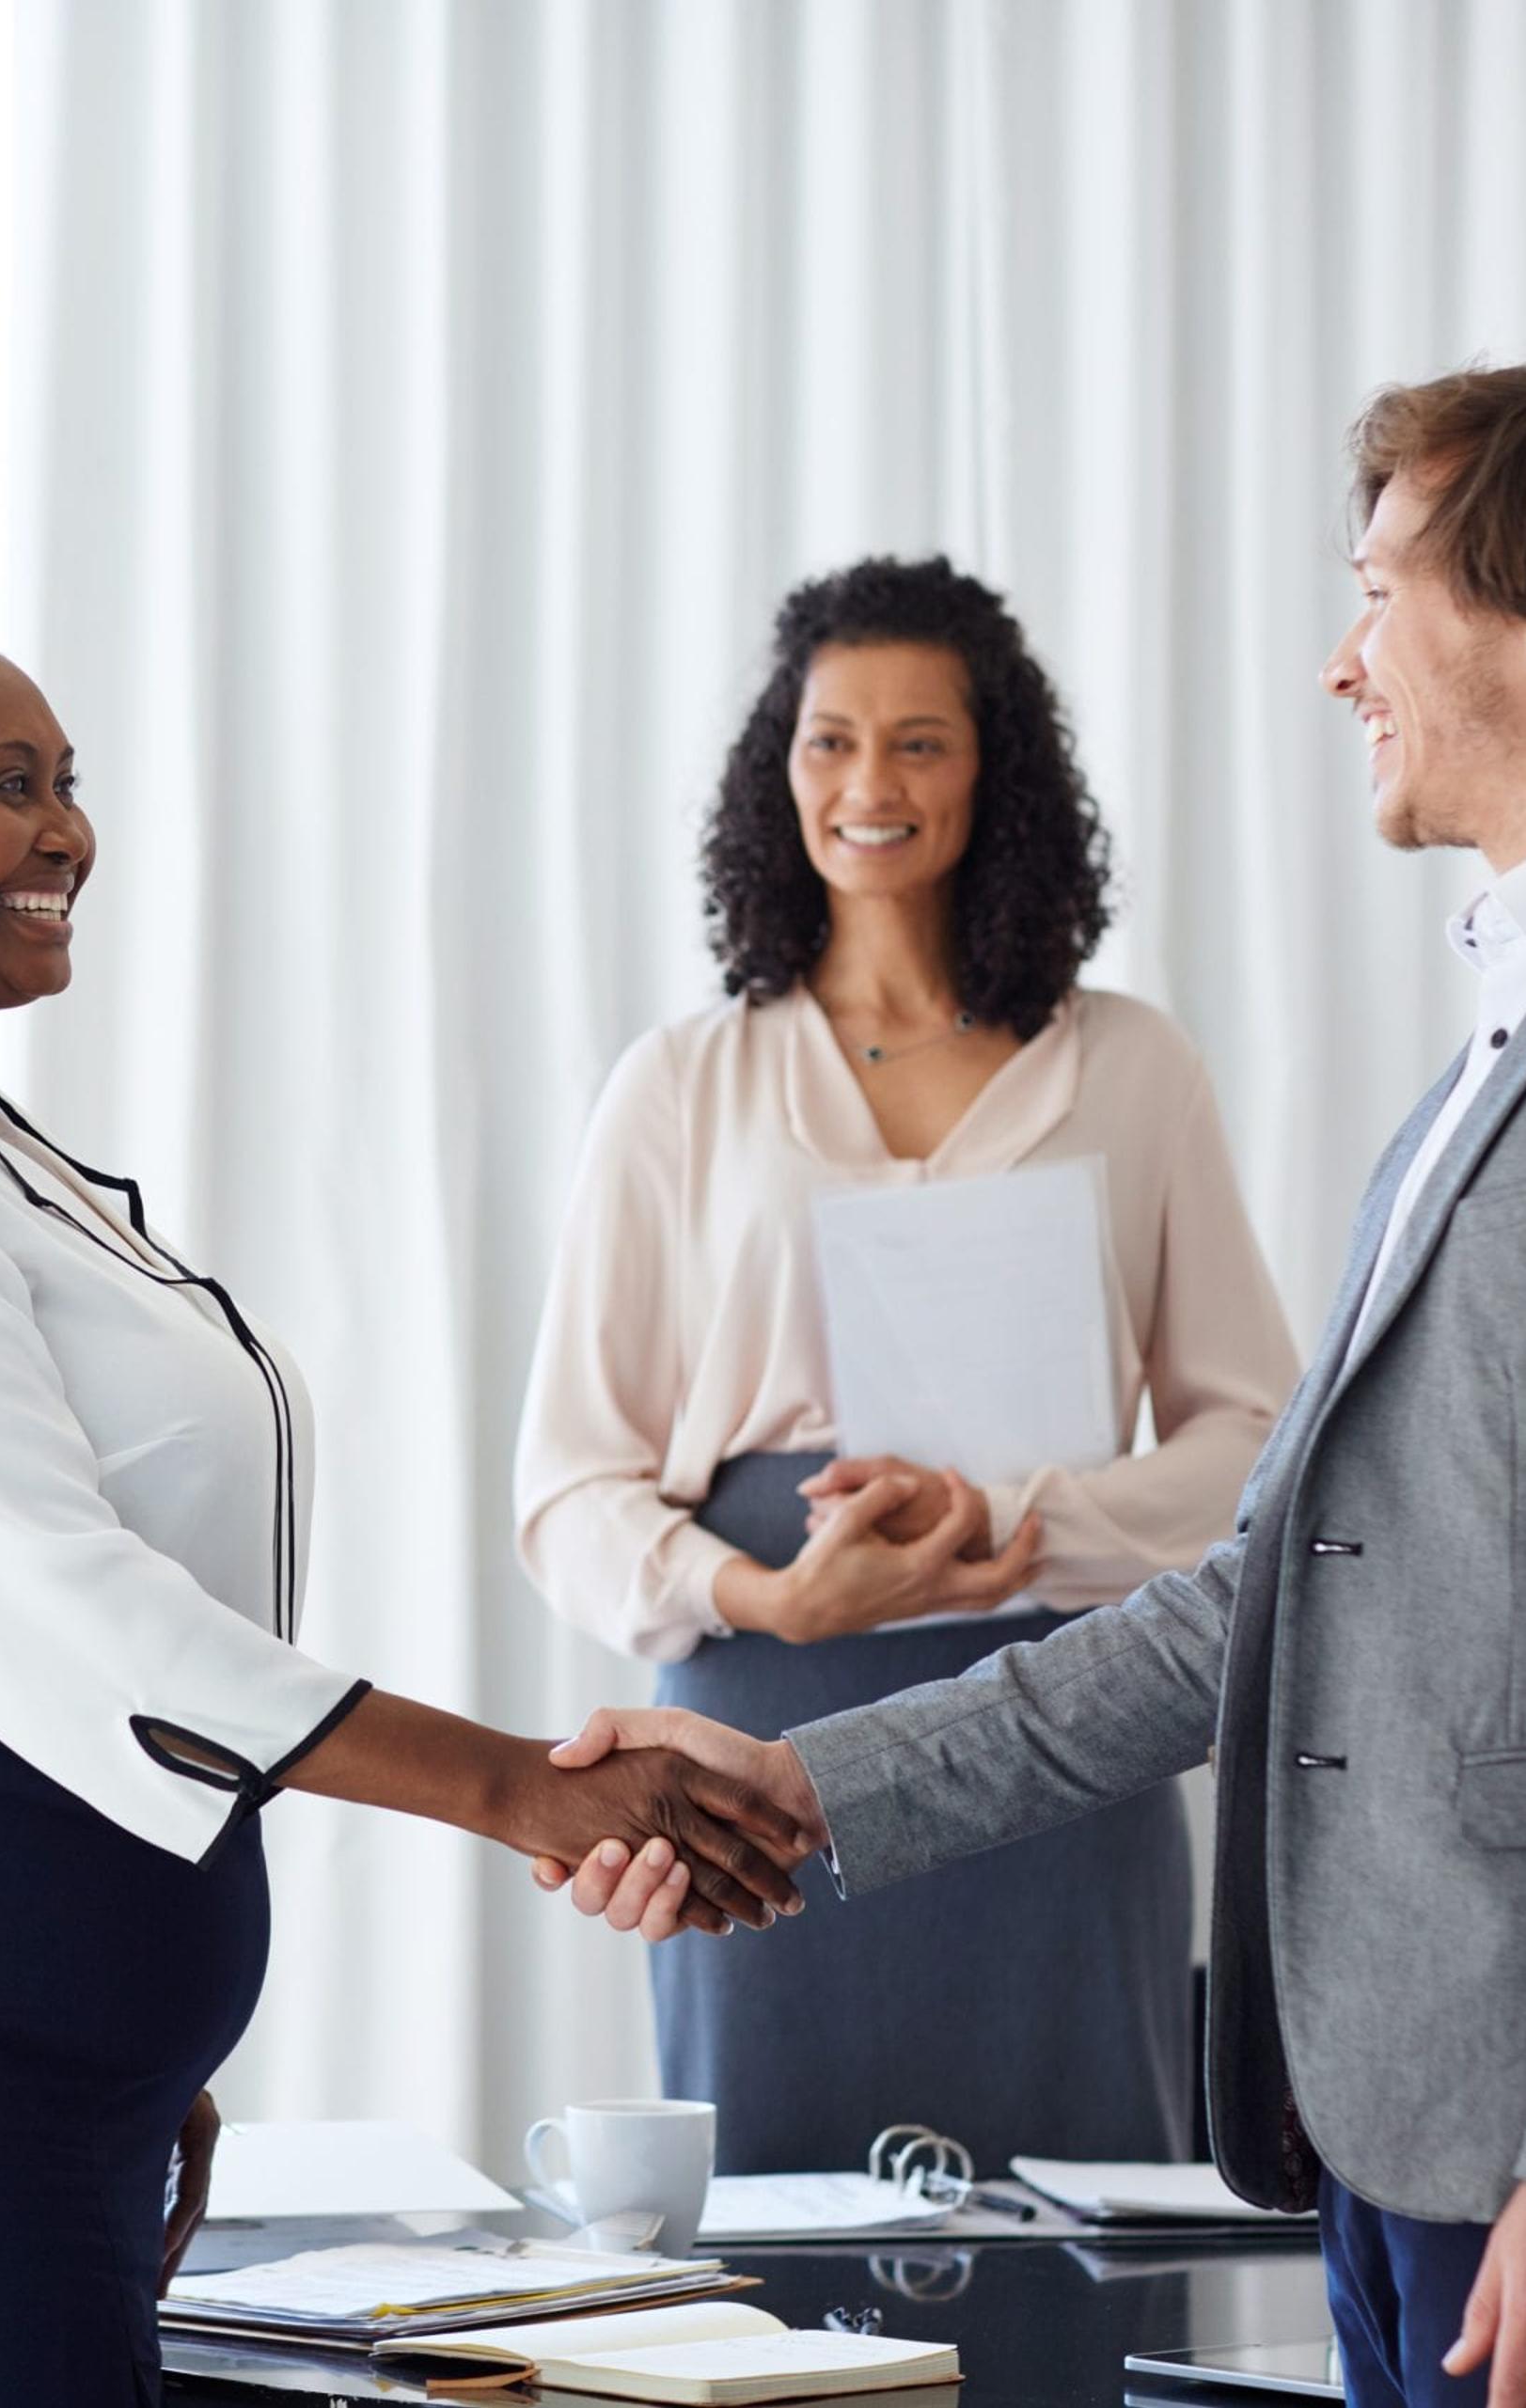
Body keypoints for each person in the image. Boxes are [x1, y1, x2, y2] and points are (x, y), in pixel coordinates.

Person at [538, 364, 1526, 2408]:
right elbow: (1267, 1596)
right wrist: (804, 1779)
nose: (1338, 660)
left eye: (1380, 591)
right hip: (1402, 2134)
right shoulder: (1520, 1026)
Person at [0, 496, 810, 2408]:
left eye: (69, 781)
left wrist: (130, 2044)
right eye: (8, 784)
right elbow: (81, 1627)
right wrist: (529, 1792)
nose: (67, 831)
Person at [512, 558, 1298, 2168]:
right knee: (778, 2230)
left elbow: (1261, 1441)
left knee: (1078, 2220)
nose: (871, 783)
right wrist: (771, 1598)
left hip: (1068, 1714)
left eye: (922, 741)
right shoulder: (682, 1085)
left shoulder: (1131, 1067)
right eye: (830, 741)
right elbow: (569, 1482)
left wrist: (1020, 1525)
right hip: (759, 1727)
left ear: (994, 766)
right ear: (778, 770)